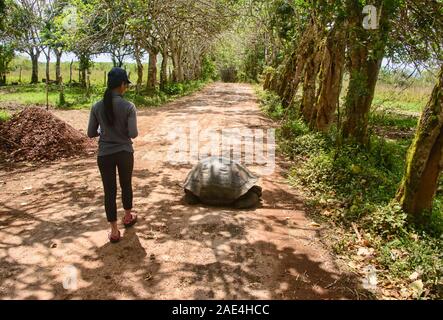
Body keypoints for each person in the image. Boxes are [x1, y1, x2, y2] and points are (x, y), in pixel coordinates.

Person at [87, 67, 138, 243]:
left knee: (109, 191)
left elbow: (90, 133)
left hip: (104, 155)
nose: (126, 87)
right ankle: (128, 216)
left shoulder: (96, 106)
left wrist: (105, 131)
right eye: (126, 85)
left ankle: (114, 231)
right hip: (124, 152)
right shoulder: (128, 106)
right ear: (122, 85)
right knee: (126, 185)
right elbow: (133, 133)